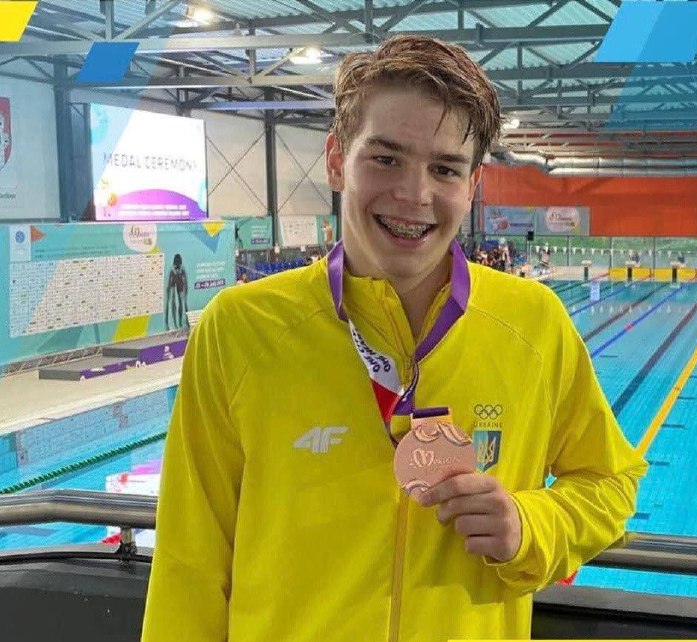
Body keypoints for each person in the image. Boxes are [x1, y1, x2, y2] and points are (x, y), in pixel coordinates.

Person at [142, 35, 647, 642]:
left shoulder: (534, 324)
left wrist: (529, 525)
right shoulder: (240, 328)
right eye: (385, 159)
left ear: (472, 184)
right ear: (336, 160)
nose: (414, 194)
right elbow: (189, 564)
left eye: (444, 168)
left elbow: (611, 482)